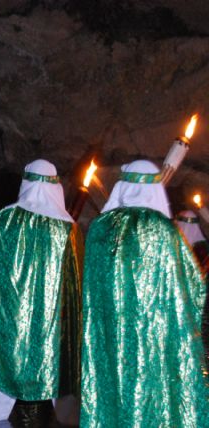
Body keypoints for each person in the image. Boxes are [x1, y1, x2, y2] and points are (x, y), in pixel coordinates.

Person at [80, 160, 209, 427]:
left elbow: (91, 285)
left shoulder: (100, 227)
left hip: (109, 333)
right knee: (149, 397)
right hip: (154, 338)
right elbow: (191, 287)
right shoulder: (164, 230)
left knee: (112, 393)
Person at [0, 159, 82, 424]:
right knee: (69, 406)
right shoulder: (69, 230)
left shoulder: (1, 222)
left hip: (7, 331)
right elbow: (78, 287)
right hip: (55, 333)